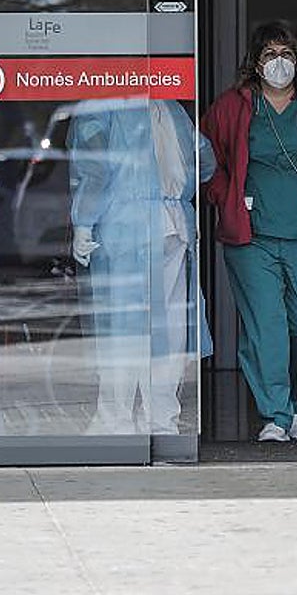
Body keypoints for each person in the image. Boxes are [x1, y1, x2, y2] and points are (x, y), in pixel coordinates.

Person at [201, 21, 297, 443]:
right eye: (270, 55)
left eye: (286, 54)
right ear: (255, 62)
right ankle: (276, 415)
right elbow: (205, 154)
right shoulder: (233, 106)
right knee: (266, 326)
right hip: (253, 240)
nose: (279, 63)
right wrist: (223, 195)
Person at [70, 99, 215, 435]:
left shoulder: (101, 106)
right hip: (174, 224)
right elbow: (205, 160)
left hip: (126, 227)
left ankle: (115, 419)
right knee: (171, 326)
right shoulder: (172, 107)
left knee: (123, 328)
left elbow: (95, 170)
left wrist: (83, 222)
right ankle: (162, 419)